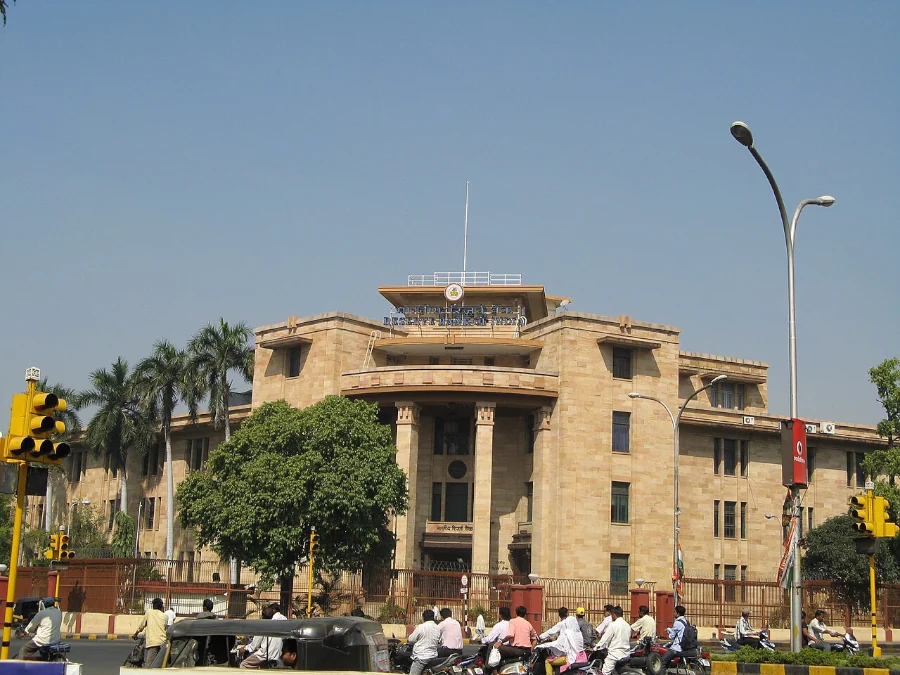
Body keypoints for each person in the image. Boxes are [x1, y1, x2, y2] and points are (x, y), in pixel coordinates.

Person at [538, 607, 585, 675]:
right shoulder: (577, 633)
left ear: (559, 615)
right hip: (578, 655)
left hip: (566, 655)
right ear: (567, 614)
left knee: (547, 660)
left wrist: (540, 638)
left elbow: (551, 632)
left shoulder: (565, 630)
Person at [17, 597, 62, 661]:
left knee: (24, 650)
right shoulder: (59, 612)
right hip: (55, 640)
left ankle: (21, 667)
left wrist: (25, 631)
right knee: (44, 655)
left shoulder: (41, 613)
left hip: (42, 640)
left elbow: (31, 626)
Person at [132, 597, 169, 668]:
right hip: (163, 642)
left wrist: (136, 633)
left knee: (148, 666)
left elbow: (142, 625)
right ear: (162, 606)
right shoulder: (165, 616)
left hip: (153, 643)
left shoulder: (149, 612)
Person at [595, 606, 632, 675]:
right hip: (626, 654)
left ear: (614, 614)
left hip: (614, 655)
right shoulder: (627, 625)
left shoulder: (613, 625)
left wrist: (595, 648)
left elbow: (605, 640)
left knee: (604, 672)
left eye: (611, 615)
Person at [408, 610, 442, 675]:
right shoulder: (437, 627)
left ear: (423, 617)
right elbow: (439, 641)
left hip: (421, 657)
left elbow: (411, 639)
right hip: (433, 656)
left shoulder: (421, 627)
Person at [660, 605, 689, 672]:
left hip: (676, 648)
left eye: (674, 612)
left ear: (678, 614)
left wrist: (668, 632)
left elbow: (672, 636)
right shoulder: (686, 622)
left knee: (662, 662)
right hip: (684, 647)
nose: (673, 613)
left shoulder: (677, 622)